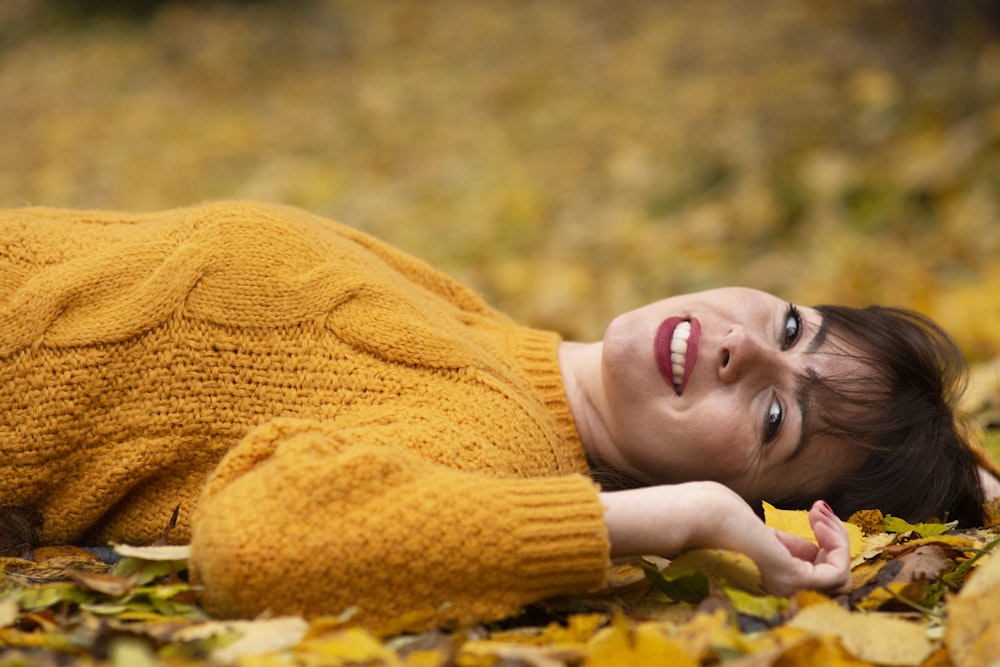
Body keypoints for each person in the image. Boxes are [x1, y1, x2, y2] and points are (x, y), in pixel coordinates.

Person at [0, 201, 995, 634]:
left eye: (774, 415)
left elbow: (257, 544)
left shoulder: (495, 445)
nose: (744, 346)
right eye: (789, 322)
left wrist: (670, 522)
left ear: (730, 489)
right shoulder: (478, 326)